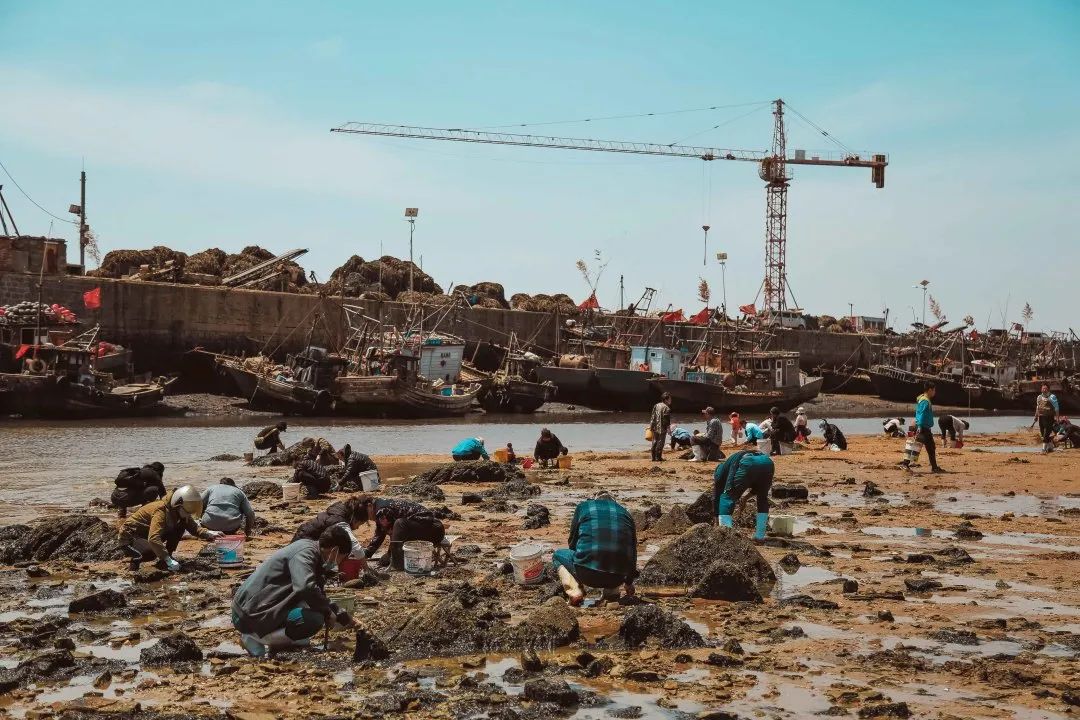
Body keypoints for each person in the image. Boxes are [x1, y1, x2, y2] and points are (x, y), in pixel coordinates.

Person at [231, 525, 356, 658]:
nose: (338, 564)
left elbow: (318, 595)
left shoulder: (314, 554)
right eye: (341, 558)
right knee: (314, 620)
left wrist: (345, 617)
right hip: (246, 614)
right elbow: (305, 588)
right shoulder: (306, 553)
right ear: (334, 550)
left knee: (311, 610)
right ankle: (253, 638)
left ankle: (276, 642)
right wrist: (327, 612)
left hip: (255, 608)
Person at [553, 493, 637, 606]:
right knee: (615, 554)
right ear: (614, 503)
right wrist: (629, 583)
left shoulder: (584, 507)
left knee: (557, 555)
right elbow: (632, 553)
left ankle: (575, 592)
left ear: (595, 500)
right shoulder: (626, 514)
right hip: (617, 578)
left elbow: (572, 541)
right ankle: (611, 594)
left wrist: (577, 559)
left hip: (587, 574)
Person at [118, 485, 223, 572]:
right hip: (131, 537)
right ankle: (135, 562)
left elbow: (193, 528)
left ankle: (166, 558)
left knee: (180, 526)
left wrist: (209, 534)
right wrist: (167, 559)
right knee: (151, 552)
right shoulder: (160, 511)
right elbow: (154, 538)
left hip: (147, 533)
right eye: (187, 510)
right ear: (178, 503)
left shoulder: (179, 511)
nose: (189, 513)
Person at [365, 498, 445, 570]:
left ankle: (397, 563)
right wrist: (366, 554)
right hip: (432, 530)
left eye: (365, 513)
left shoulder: (383, 510)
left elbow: (393, 534)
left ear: (369, 506)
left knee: (399, 523)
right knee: (400, 526)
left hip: (434, 530)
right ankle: (396, 559)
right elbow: (381, 533)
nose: (367, 518)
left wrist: (390, 555)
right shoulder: (382, 506)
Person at [713, 449, 775, 540]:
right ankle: (760, 537)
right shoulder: (730, 462)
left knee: (726, 498)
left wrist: (716, 519)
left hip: (748, 462)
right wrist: (745, 498)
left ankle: (727, 537)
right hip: (767, 462)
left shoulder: (720, 472)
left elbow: (717, 495)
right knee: (762, 498)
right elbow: (758, 487)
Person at [292, 493, 373, 560]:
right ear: (355, 519)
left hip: (303, 537)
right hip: (302, 545)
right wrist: (366, 569)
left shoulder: (341, 510)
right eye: (359, 524)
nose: (357, 528)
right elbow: (355, 547)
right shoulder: (339, 520)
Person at [903, 382, 942, 472]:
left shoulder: (923, 398)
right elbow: (921, 413)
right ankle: (905, 464)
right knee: (915, 446)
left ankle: (934, 467)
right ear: (930, 390)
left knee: (931, 447)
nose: (935, 392)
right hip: (922, 428)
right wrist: (920, 426)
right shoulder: (925, 401)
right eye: (934, 390)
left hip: (925, 428)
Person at [1035, 383, 1060, 454]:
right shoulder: (1039, 397)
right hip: (1041, 417)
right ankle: (1050, 448)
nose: (1044, 390)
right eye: (1043, 388)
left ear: (1048, 389)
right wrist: (1036, 416)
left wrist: (1057, 418)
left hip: (1049, 417)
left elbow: (1056, 408)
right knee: (1043, 434)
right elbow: (1037, 407)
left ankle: (1043, 449)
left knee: (1046, 434)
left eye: (1045, 388)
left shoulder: (1052, 397)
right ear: (1041, 389)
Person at [649, 392, 672, 462]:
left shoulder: (656, 405)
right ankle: (658, 457)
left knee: (654, 441)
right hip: (662, 427)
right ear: (666, 400)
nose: (671, 400)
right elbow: (666, 420)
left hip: (655, 426)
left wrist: (651, 426)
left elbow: (653, 416)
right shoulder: (667, 408)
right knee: (661, 442)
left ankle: (653, 457)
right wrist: (668, 429)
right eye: (670, 399)